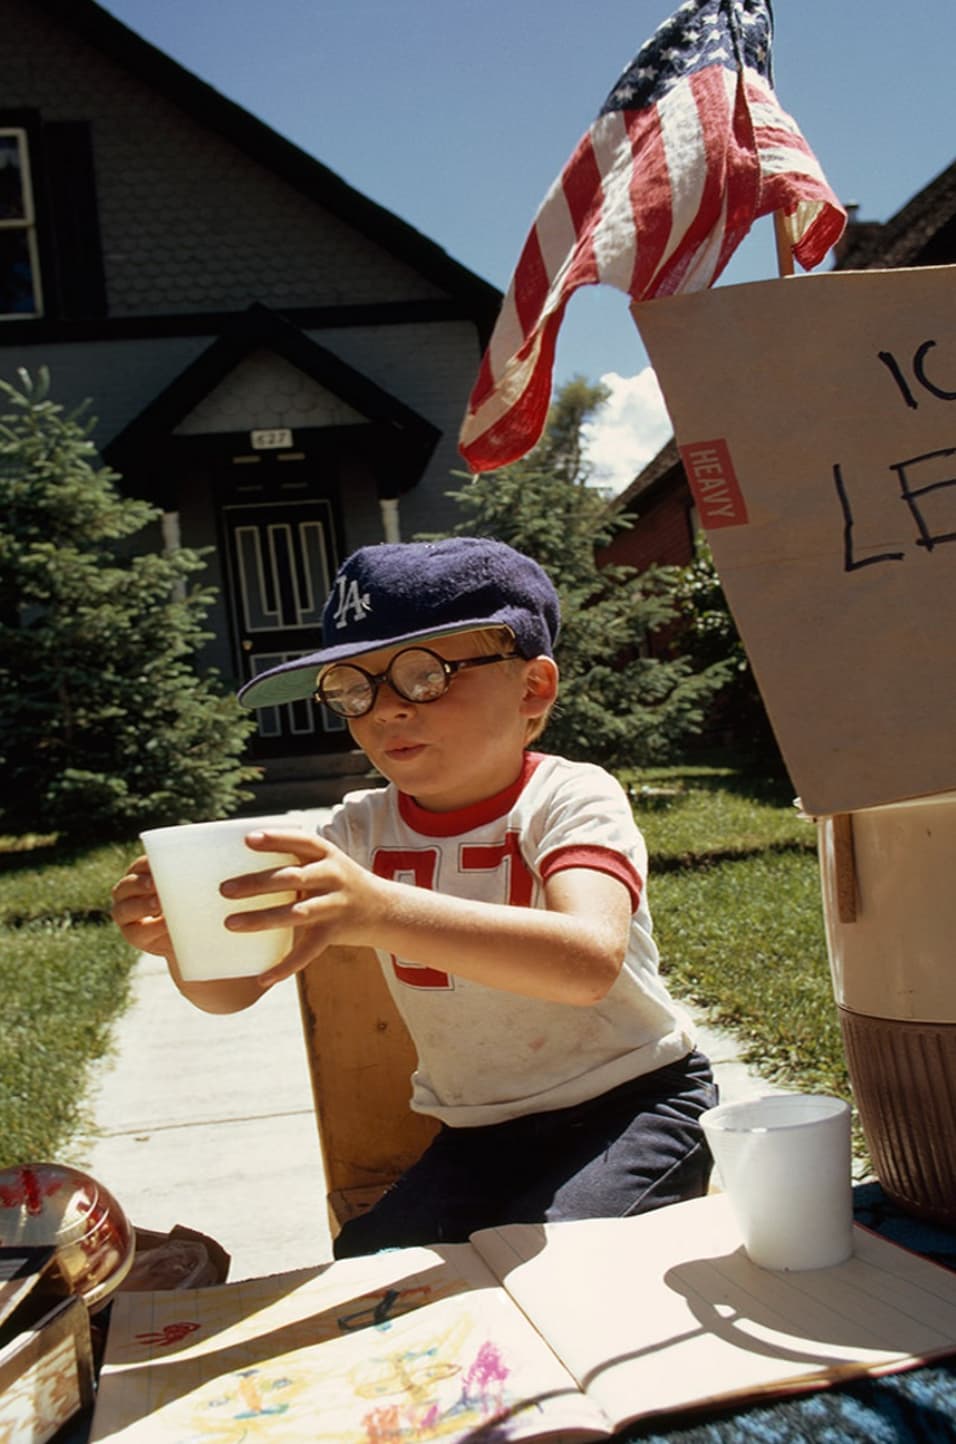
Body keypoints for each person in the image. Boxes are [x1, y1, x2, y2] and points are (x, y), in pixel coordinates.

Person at [111, 537, 716, 1258]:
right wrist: (182, 939)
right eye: (353, 687)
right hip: (479, 1134)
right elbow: (230, 993)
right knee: (371, 1265)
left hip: (635, 1105)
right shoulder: (358, 829)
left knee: (560, 1266)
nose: (385, 710)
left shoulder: (570, 797)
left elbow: (586, 965)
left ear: (534, 688)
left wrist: (379, 910)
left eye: (424, 675)